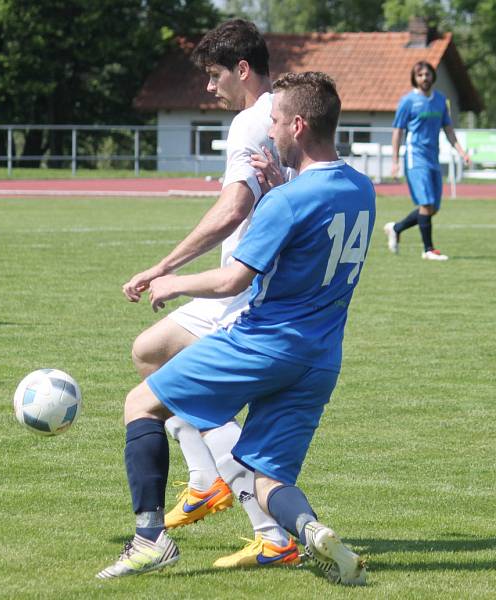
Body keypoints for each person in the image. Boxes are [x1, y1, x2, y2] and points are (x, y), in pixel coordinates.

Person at [98, 72, 373, 586]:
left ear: (298, 123)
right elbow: (316, 214)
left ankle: (149, 541)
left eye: (275, 121)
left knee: (140, 404)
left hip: (262, 344)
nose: (269, 131)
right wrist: (280, 189)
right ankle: (311, 532)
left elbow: (233, 279)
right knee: (269, 478)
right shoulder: (362, 189)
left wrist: (172, 281)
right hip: (320, 360)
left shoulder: (286, 202)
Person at [120, 19, 295, 568]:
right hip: (246, 286)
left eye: (215, 75)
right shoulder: (285, 114)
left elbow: (233, 209)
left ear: (242, 70)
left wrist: (165, 267)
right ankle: (204, 479)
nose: (209, 86)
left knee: (189, 397)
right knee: (149, 353)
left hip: (243, 290)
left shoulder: (249, 122)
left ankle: (270, 529)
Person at [383, 60, 471, 261]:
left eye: (427, 74)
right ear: (415, 78)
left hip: (433, 157)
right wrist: (395, 161)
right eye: (420, 75)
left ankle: (396, 228)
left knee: (432, 209)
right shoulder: (407, 101)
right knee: (426, 203)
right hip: (415, 157)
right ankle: (428, 250)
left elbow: (448, 129)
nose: (424, 78)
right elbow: (398, 131)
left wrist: (461, 151)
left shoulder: (440, 100)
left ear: (433, 76)